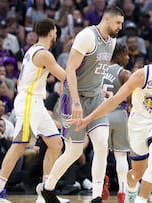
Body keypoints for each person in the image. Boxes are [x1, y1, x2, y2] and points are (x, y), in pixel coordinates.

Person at [69, 46, 152, 203]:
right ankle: (131, 190)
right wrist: (88, 119)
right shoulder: (142, 75)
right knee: (135, 175)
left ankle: (141, 200)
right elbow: (114, 100)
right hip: (137, 124)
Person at [41, 6, 125, 203]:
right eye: (118, 23)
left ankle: (96, 195)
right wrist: (77, 102)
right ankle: (48, 187)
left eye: (121, 23)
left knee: (102, 144)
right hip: (73, 98)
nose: (120, 27)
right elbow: (70, 69)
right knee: (74, 151)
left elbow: (98, 69)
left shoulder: (112, 41)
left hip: (95, 98)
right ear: (106, 19)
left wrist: (100, 88)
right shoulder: (87, 36)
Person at [0, 18, 66, 203]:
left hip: (36, 102)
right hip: (29, 101)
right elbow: (65, 77)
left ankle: (46, 191)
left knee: (56, 144)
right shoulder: (44, 54)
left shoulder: (32, 50)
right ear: (52, 32)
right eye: (55, 31)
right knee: (20, 145)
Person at [102, 43, 131, 200]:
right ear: (118, 55)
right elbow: (133, 97)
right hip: (120, 113)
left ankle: (99, 185)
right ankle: (122, 190)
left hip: (102, 114)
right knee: (121, 156)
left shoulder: (98, 71)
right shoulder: (124, 73)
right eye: (125, 54)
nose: (128, 57)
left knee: (101, 155)